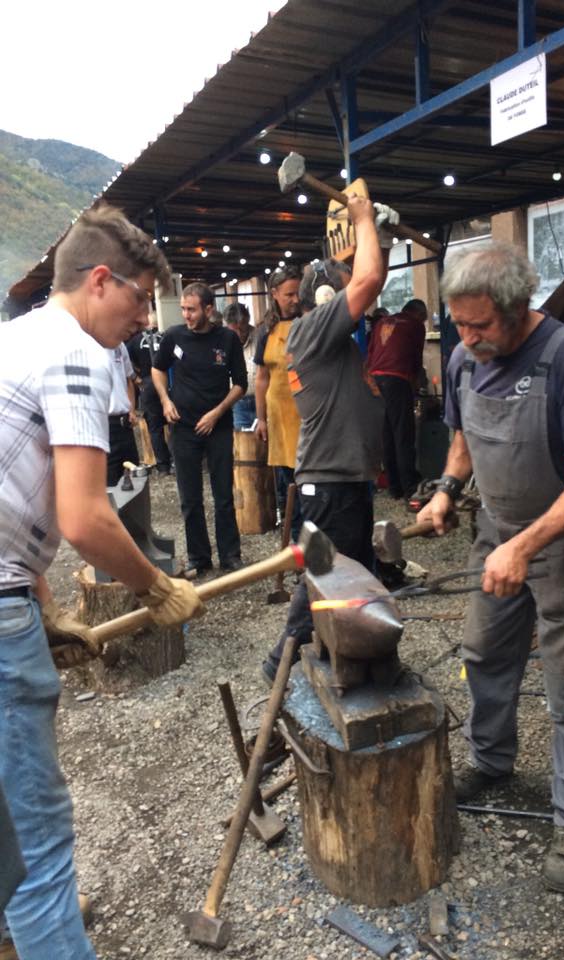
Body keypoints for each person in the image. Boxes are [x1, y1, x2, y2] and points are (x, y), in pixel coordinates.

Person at [0, 204, 205, 960]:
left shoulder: (13, 337)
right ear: (97, 281)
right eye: (138, 297)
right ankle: (40, 923)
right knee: (39, 841)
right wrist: (156, 586)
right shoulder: (78, 353)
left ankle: (13, 923)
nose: (143, 316)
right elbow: (84, 520)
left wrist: (45, 605)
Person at [417, 242, 564, 894]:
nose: (468, 338)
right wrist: (448, 489)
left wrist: (525, 546)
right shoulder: (462, 359)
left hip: (557, 544)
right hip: (494, 534)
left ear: (517, 307)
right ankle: (494, 761)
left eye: (480, 326)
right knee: (484, 653)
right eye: (460, 324)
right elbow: (461, 440)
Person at [261, 197, 396, 684]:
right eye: (341, 293)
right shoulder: (315, 328)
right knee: (326, 580)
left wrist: (378, 234)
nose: (357, 304)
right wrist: (361, 219)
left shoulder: (331, 342)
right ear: (326, 298)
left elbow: (365, 278)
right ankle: (282, 663)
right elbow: (368, 281)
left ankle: (356, 658)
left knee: (349, 575)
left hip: (344, 481)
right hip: (331, 484)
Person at [152, 282, 247, 577]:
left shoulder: (227, 339)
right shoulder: (173, 336)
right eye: (183, 309)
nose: (186, 315)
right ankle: (198, 557)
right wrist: (166, 400)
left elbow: (241, 384)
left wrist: (217, 413)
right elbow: (157, 369)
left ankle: (230, 555)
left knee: (223, 495)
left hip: (217, 427)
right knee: (189, 497)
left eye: (191, 309)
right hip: (183, 428)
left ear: (208, 309)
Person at [254, 266, 303, 539]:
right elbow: (261, 378)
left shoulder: (308, 321)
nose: (295, 299)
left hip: (306, 412)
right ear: (274, 294)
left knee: (308, 482)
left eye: (298, 293)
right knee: (287, 483)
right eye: (289, 294)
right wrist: (261, 418)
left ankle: (313, 539)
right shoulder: (265, 331)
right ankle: (295, 538)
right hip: (278, 414)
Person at [367, 298, 427, 499]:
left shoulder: (382, 322)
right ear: (418, 314)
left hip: (375, 379)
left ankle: (394, 487)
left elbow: (371, 352)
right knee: (403, 433)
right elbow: (416, 357)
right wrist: (416, 384)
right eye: (424, 318)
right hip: (397, 379)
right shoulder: (415, 324)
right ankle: (409, 486)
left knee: (387, 434)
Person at [126, 317, 173, 474]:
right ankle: (177, 462)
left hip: (147, 383)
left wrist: (137, 376)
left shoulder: (134, 341)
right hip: (167, 381)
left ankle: (163, 466)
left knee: (155, 428)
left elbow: (127, 360)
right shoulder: (165, 337)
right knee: (174, 423)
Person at [105, 341, 140, 485]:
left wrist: (132, 409)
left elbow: (128, 379)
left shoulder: (119, 345)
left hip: (124, 423)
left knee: (133, 478)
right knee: (110, 483)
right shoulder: (86, 343)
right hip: (104, 425)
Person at [224, 302, 258, 429]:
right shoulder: (223, 343)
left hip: (261, 401)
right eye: (234, 330)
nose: (238, 334)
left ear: (247, 320)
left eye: (242, 328)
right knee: (241, 445)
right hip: (237, 404)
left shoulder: (259, 337)